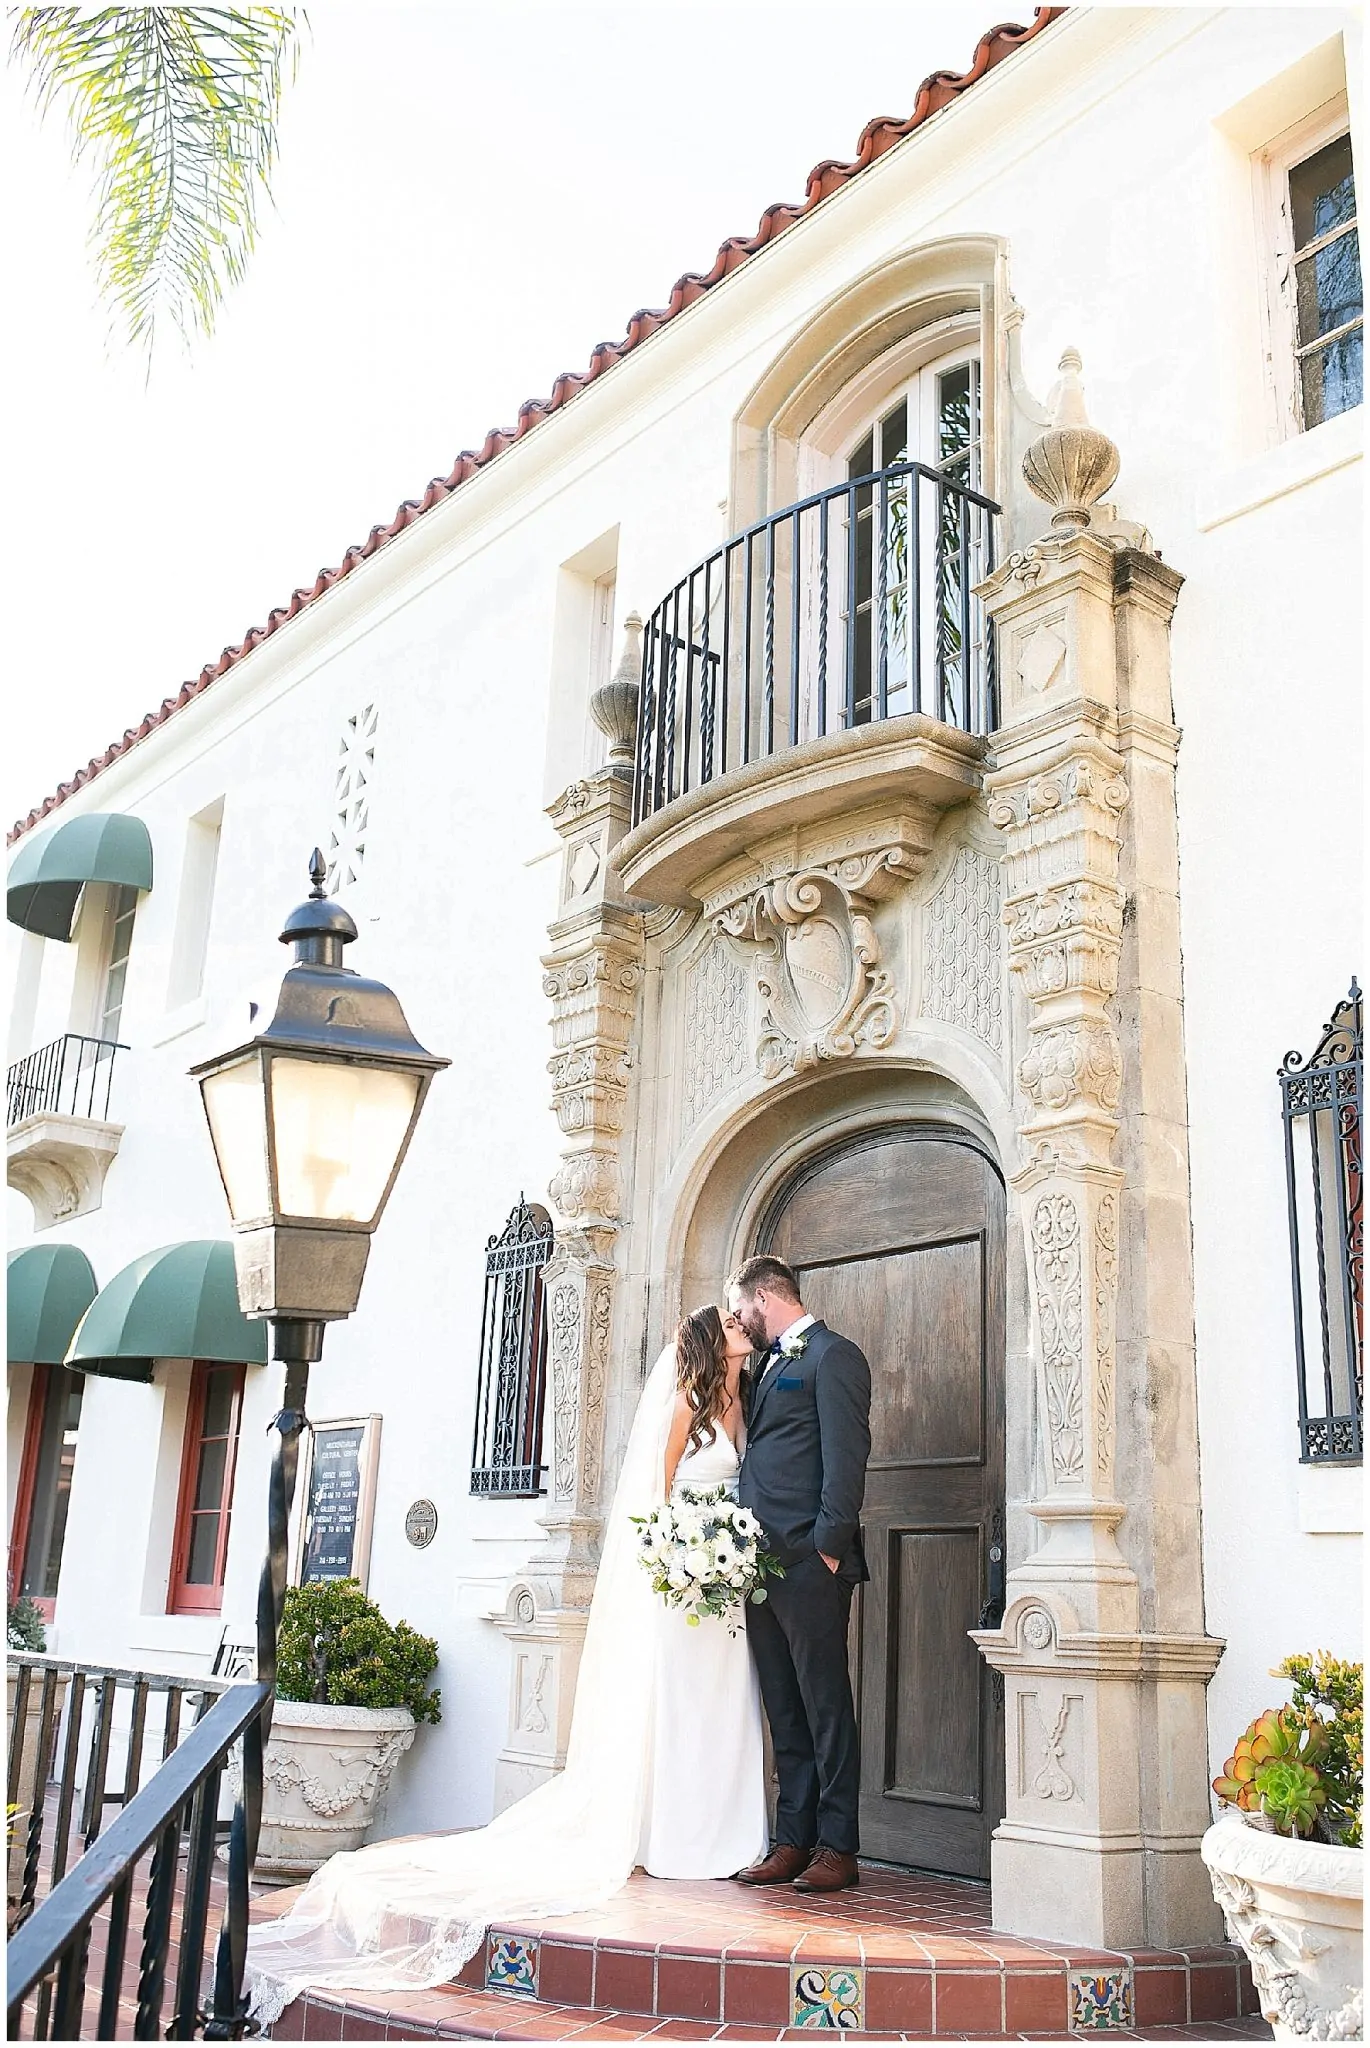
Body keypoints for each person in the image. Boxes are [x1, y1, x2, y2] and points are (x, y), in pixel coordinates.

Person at [243, 1304, 767, 2025]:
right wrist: (684, 1556)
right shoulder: (684, 1401)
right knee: (678, 1706)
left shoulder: (739, 1395)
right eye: (735, 1326)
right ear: (717, 1343)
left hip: (724, 1586)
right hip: (682, 1582)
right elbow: (658, 1496)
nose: (747, 1330)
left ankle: (721, 1830)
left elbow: (733, 1488)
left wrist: (729, 1549)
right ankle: (670, 1833)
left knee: (722, 1706)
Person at [728, 1254, 872, 1895]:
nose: (739, 1321)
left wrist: (828, 1547)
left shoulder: (832, 1356)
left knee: (824, 1705)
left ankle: (838, 1847)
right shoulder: (764, 1367)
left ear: (766, 1296)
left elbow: (847, 1459)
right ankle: (794, 1840)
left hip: (811, 1561)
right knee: (783, 1707)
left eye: (742, 1309)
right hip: (759, 1563)